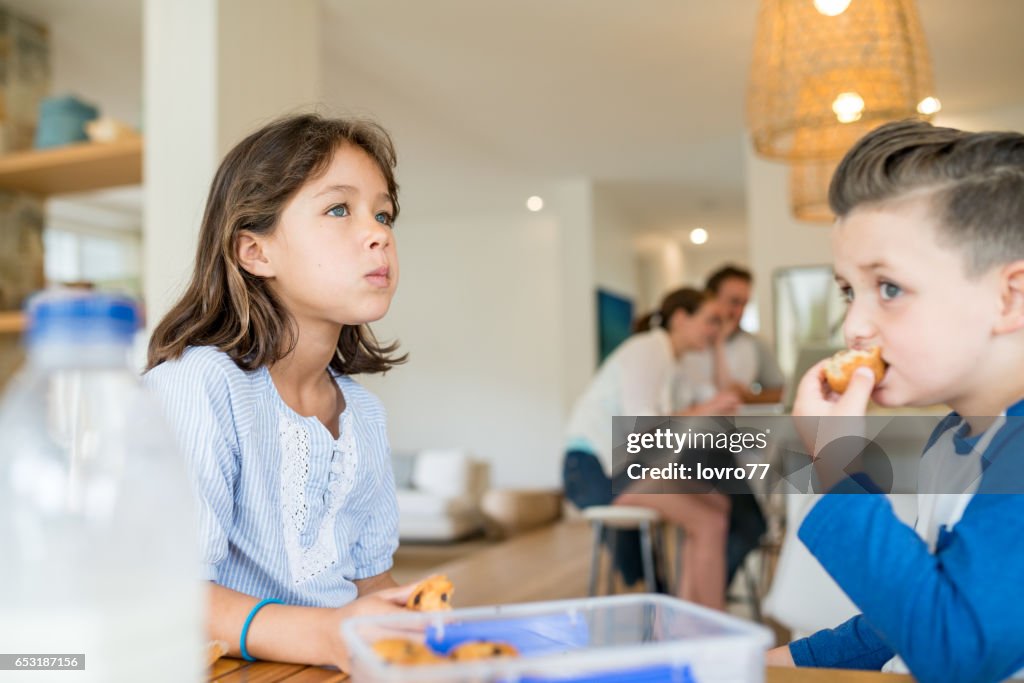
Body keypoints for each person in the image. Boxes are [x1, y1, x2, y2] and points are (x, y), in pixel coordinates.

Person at [144, 113, 415, 671]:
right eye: (339, 209)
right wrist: (326, 636)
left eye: (383, 213)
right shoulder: (200, 384)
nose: (379, 232)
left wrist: (418, 624)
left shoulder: (363, 413)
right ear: (255, 252)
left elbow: (370, 584)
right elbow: (166, 593)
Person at [765, 120, 1024, 682]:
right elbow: (923, 602)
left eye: (889, 289)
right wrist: (795, 659)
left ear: (1010, 297)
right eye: (847, 291)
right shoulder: (952, 438)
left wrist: (836, 462)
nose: (854, 325)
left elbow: (961, 651)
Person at [563, 287, 744, 609]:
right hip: (594, 472)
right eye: (710, 321)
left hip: (626, 468)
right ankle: (707, 623)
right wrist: (705, 410)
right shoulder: (646, 350)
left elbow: (717, 397)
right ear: (679, 318)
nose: (717, 330)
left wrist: (717, 350)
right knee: (709, 521)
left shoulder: (675, 365)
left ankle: (693, 619)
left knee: (718, 506)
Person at [682, 265, 785, 405]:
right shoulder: (688, 344)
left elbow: (781, 392)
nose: (739, 311)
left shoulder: (756, 344)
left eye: (744, 304)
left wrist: (749, 398)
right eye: (734, 302)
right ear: (710, 298)